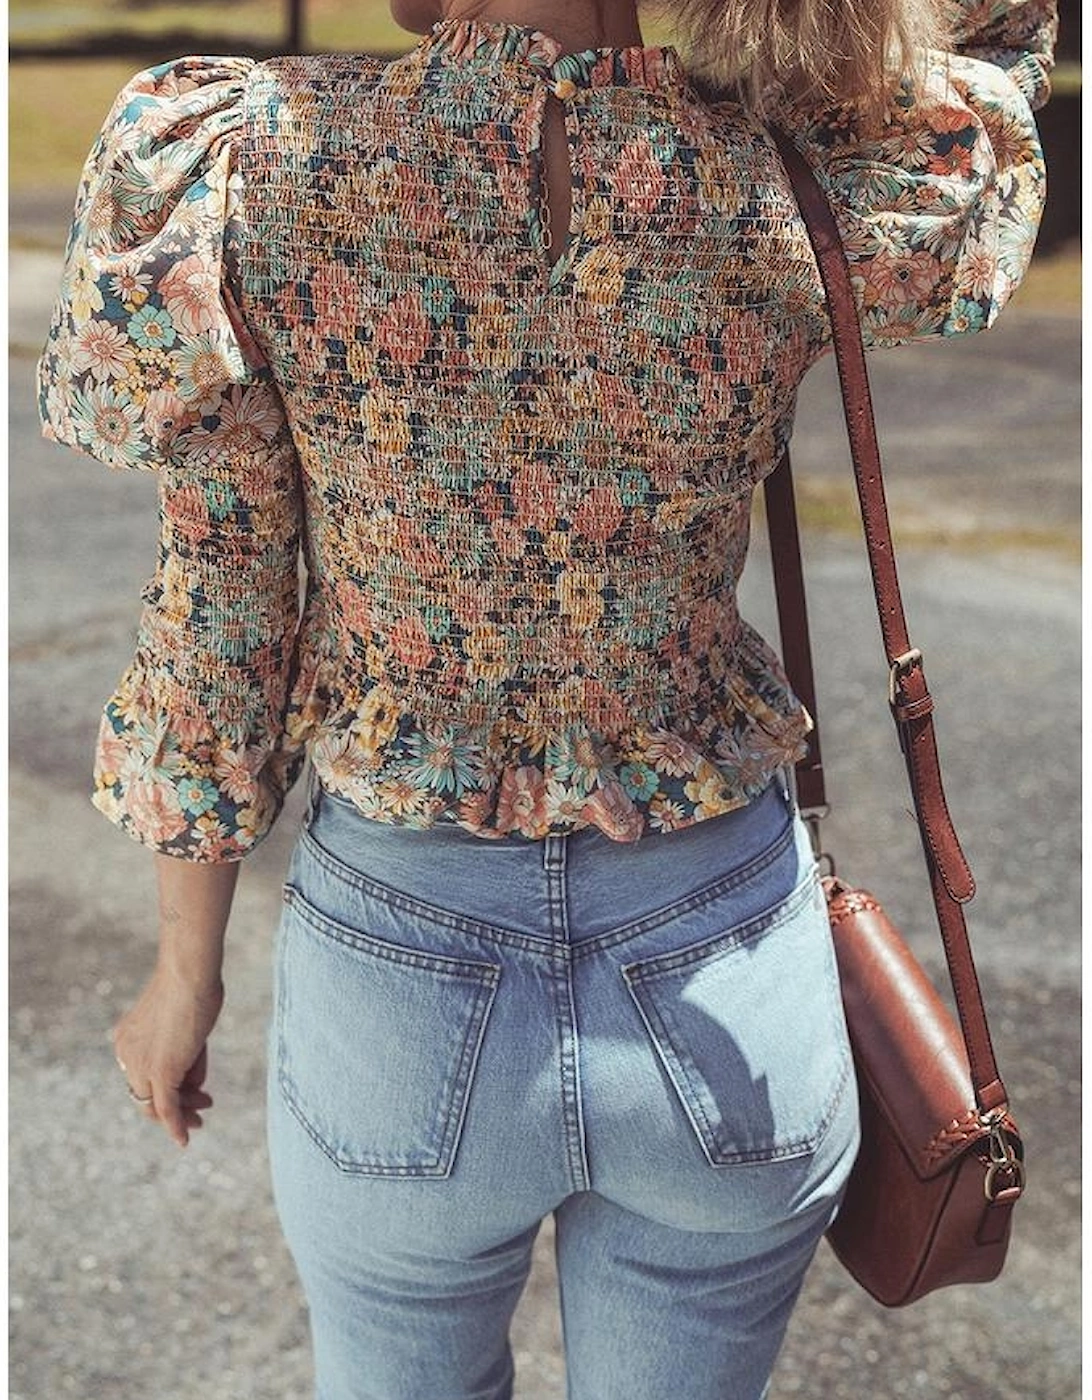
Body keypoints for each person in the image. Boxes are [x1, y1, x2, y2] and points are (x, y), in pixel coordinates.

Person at [37, 0, 1055, 1394]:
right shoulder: (798, 163)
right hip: (725, 974)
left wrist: (182, 976)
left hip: (401, 969)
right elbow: (996, 52)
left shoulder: (250, 161)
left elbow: (220, 610)